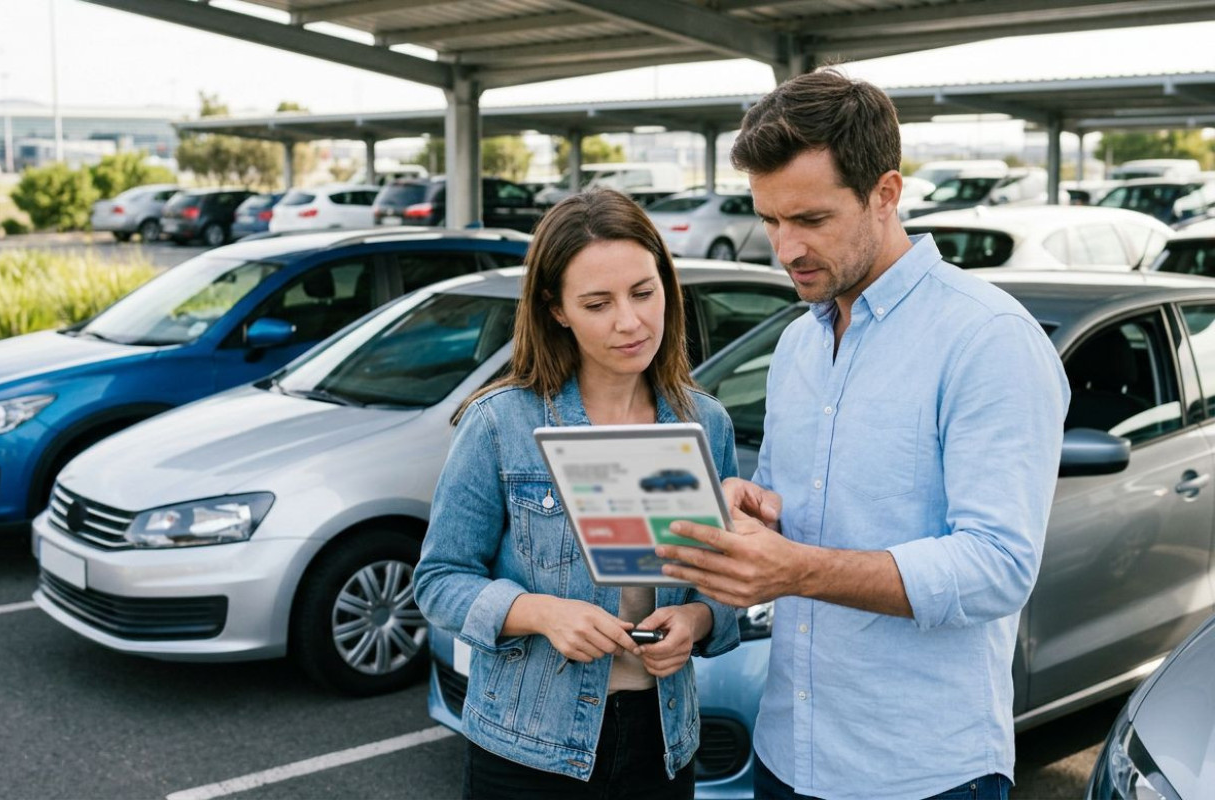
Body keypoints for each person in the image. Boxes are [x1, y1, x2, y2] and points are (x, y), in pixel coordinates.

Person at [656, 69, 1069, 800]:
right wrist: (753, 508)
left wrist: (793, 568)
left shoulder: (988, 340)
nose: (786, 249)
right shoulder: (799, 346)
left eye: (810, 220)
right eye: (771, 221)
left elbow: (998, 565)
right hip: (788, 752)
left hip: (923, 773)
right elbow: (797, 518)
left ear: (886, 193)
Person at [414, 188, 742, 800]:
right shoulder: (499, 424)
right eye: (598, 303)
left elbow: (723, 588)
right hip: (526, 744)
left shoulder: (707, 424)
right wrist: (541, 614)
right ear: (556, 309)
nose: (630, 321)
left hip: (663, 741)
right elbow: (439, 581)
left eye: (645, 293)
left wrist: (697, 619)